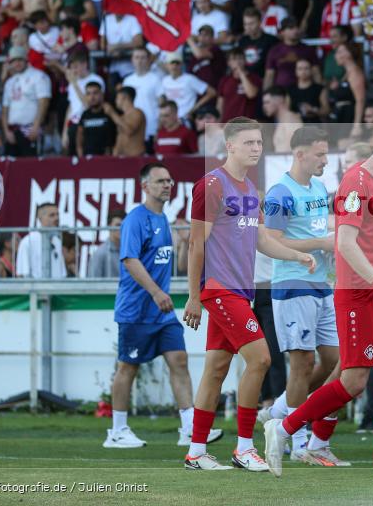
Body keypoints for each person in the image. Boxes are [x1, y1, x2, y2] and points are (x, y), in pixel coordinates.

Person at [263, 123, 373, 480]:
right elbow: (344, 245)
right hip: (358, 292)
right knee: (354, 380)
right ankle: (282, 428)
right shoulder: (355, 183)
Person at [182, 117, 316, 472]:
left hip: (240, 291)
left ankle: (196, 453)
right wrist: (194, 295)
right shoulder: (212, 184)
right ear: (229, 146)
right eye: (249, 143)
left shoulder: (247, 187)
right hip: (220, 290)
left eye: (259, 143)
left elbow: (262, 240)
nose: (256, 148)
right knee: (260, 359)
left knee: (215, 370)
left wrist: (298, 254)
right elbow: (196, 243)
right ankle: (244, 447)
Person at [104, 163, 221, 450]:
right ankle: (117, 430)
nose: (167, 185)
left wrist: (183, 245)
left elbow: (178, 266)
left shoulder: (164, 221)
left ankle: (189, 428)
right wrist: (156, 292)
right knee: (128, 367)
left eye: (169, 180)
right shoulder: (135, 219)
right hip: (136, 309)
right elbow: (130, 261)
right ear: (145, 186)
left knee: (179, 360)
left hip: (162, 311)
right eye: (160, 181)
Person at [260, 127, 347, 465]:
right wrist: (321, 243)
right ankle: (297, 443)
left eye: (326, 154)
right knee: (302, 363)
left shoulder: (318, 187)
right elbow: (271, 241)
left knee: (334, 360)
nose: (326, 160)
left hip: (321, 285)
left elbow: (315, 233)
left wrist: (327, 244)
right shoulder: (280, 192)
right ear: (300, 154)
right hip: (292, 284)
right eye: (320, 154)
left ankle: (279, 412)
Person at [2, 46, 51, 157]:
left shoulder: (38, 76)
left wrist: (36, 126)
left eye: (19, 60)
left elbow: (44, 102)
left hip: (30, 129)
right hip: (12, 130)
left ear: (26, 60)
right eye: (13, 61)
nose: (17, 63)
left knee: (31, 167)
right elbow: (5, 109)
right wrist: (6, 131)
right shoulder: (10, 82)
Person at [161, 50, 216, 120]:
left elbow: (212, 92)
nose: (174, 65)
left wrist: (193, 109)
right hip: (171, 120)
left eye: (177, 63)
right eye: (172, 63)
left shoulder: (189, 79)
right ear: (166, 65)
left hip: (186, 119)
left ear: (181, 64)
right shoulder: (165, 81)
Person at [122, 48, 162, 143]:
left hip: (152, 128)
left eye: (143, 58)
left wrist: (159, 128)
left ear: (148, 60)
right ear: (132, 60)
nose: (139, 61)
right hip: (133, 129)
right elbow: (124, 107)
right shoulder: (127, 81)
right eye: (137, 57)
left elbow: (162, 105)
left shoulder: (156, 79)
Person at [16, 203, 66, 278]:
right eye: (52, 215)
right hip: (37, 289)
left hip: (57, 288)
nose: (57, 218)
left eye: (57, 214)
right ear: (40, 218)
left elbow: (62, 273)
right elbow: (21, 274)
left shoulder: (57, 241)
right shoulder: (28, 241)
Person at [216, 48, 260, 123]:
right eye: (234, 59)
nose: (238, 62)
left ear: (245, 61)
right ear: (228, 63)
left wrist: (241, 73)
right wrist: (218, 122)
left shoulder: (254, 78)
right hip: (227, 123)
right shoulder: (224, 80)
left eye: (240, 58)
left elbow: (251, 94)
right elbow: (220, 104)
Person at [75, 82, 116, 157]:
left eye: (95, 93)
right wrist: (81, 155)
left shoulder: (109, 112)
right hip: (87, 158)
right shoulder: (85, 114)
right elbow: (79, 137)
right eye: (88, 94)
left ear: (102, 94)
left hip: (107, 158)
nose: (92, 97)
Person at [108, 86, 146, 157]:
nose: (115, 101)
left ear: (124, 97)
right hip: (122, 158)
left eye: (117, 98)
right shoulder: (121, 117)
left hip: (136, 157)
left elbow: (129, 131)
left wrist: (112, 114)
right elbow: (120, 137)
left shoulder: (137, 112)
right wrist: (115, 153)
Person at [88, 209, 125, 278]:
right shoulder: (100, 253)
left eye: (124, 225)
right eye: (118, 225)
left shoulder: (130, 251)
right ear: (109, 226)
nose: (121, 228)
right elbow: (93, 284)